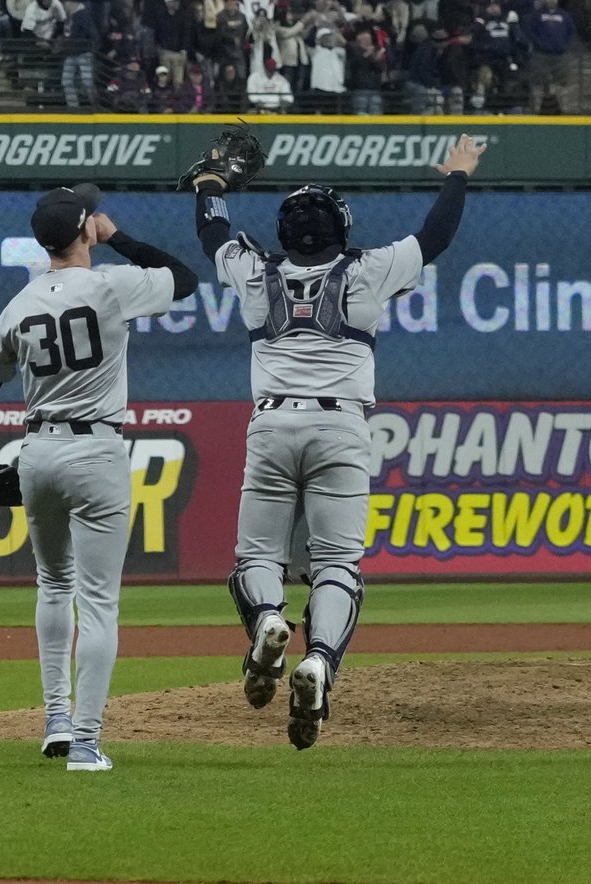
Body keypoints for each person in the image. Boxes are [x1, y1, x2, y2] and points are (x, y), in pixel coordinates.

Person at [188, 132, 487, 748]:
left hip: (271, 425)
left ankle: (270, 621)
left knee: (257, 561)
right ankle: (319, 661)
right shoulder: (366, 271)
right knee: (336, 565)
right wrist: (457, 174)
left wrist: (211, 189)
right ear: (340, 229)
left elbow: (212, 236)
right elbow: (435, 238)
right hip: (342, 427)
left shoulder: (254, 271)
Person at [0, 184, 197, 771]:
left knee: (53, 585)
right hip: (97, 451)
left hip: (36, 450)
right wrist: (120, 239)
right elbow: (183, 278)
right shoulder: (111, 286)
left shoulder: (20, 303)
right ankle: (86, 744)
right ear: (86, 227)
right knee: (99, 602)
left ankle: (56, 721)